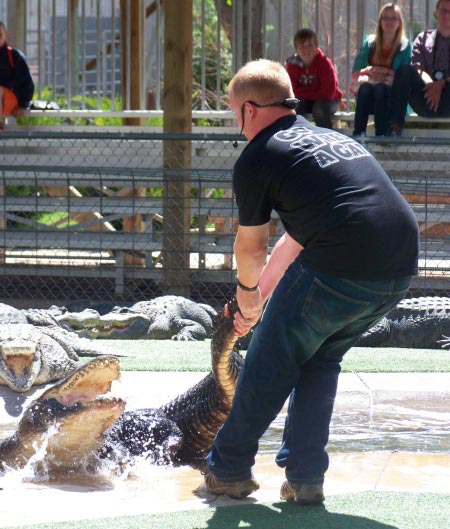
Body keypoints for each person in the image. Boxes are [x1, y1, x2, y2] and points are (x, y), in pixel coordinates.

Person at [199, 59, 419, 505]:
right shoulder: (326, 138)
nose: (236, 125)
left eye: (232, 114)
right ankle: (304, 480)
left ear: (248, 110)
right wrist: (257, 301)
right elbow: (295, 240)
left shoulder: (259, 156)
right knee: (319, 359)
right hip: (398, 267)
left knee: (268, 358)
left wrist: (244, 299)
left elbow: (253, 249)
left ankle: (229, 469)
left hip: (344, 262)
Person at [387, 0, 450, 136]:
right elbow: (417, 68)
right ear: (436, 13)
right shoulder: (422, 38)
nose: (447, 15)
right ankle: (394, 128)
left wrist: (442, 83)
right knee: (405, 71)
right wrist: (431, 84)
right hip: (426, 96)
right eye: (443, 11)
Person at [351, 3, 411, 136]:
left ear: (399, 22)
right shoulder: (369, 43)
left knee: (380, 89)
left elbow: (405, 78)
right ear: (380, 21)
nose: (389, 21)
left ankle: (381, 136)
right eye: (385, 18)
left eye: (393, 18)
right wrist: (370, 71)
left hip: (391, 100)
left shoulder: (405, 46)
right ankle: (358, 135)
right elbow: (355, 74)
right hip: (369, 98)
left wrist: (385, 73)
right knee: (365, 88)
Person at [285, 28, 342, 129]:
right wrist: (314, 92)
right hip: (307, 100)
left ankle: (326, 138)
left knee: (319, 108)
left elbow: (328, 93)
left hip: (329, 100)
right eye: (302, 46)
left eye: (310, 45)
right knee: (295, 107)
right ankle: (297, 138)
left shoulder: (324, 63)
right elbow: (292, 91)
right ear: (296, 48)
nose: (306, 50)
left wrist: (303, 92)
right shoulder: (292, 64)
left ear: (316, 47)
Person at [0, 21, 34, 129]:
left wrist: (22, 106)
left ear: (6, 36)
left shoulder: (14, 56)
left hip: (10, 101)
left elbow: (28, 84)